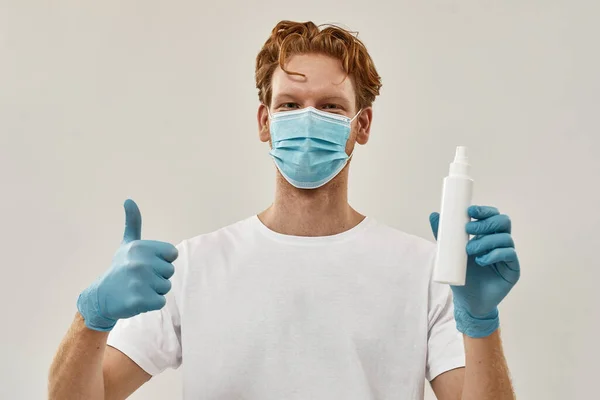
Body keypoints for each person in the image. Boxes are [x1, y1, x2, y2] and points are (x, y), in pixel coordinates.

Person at [48, 20, 521, 400]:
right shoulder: (193, 267)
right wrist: (92, 315)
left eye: (332, 107)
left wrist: (480, 324)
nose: (309, 120)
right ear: (264, 121)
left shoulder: (425, 273)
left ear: (363, 125)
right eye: (290, 105)